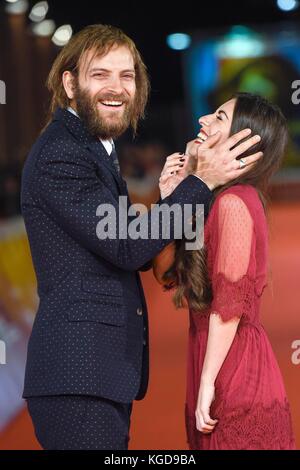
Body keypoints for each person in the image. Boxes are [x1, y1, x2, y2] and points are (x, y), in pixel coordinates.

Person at [21, 24, 261, 450]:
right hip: (78, 378)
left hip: (100, 374)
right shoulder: (63, 152)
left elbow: (149, 257)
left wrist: (176, 196)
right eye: (101, 74)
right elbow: (127, 244)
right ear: (70, 83)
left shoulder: (95, 148)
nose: (117, 88)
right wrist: (201, 183)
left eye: (127, 75)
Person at [153, 92, 296, 450]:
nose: (202, 120)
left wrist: (208, 383)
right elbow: (166, 274)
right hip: (212, 364)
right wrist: (172, 198)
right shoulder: (209, 200)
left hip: (234, 377)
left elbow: (229, 308)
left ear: (241, 141)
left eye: (218, 117)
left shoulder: (234, 203)